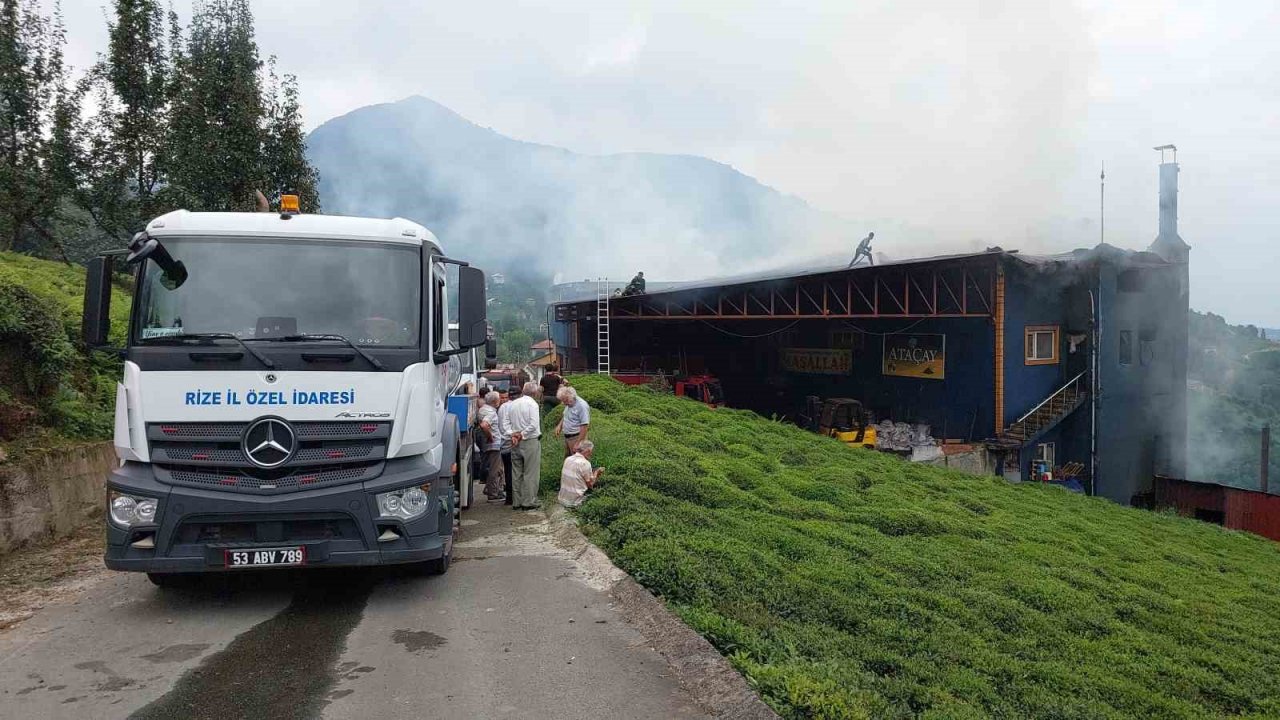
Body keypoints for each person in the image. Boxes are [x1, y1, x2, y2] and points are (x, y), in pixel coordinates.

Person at [506, 381, 543, 510]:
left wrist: (513, 435)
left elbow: (505, 424)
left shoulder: (512, 404)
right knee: (530, 472)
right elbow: (533, 425)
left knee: (516, 473)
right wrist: (522, 434)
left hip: (515, 442)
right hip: (530, 440)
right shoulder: (532, 404)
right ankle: (529, 501)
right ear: (534, 392)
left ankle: (517, 501)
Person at [476, 391, 505, 502]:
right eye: (498, 399)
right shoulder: (491, 413)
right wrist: (491, 437)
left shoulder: (483, 409)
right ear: (495, 401)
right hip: (494, 444)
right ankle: (493, 493)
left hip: (487, 444)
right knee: (495, 469)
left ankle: (489, 488)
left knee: (491, 466)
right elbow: (484, 425)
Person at [558, 439, 603, 508]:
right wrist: (597, 473)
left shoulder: (568, 459)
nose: (591, 454)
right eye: (591, 452)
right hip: (574, 502)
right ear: (589, 451)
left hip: (561, 499)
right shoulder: (585, 463)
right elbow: (590, 485)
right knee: (598, 494)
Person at [553, 385, 590, 457]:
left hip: (576, 437)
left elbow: (585, 426)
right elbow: (565, 415)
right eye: (562, 401)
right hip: (568, 437)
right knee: (569, 460)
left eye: (565, 401)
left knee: (578, 462)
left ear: (571, 396)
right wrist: (559, 426)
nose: (563, 403)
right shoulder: (569, 403)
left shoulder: (582, 406)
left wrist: (578, 443)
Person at [497, 386, 517, 504]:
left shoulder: (503, 407)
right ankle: (517, 496)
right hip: (516, 442)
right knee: (516, 471)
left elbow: (502, 426)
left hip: (505, 444)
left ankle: (510, 497)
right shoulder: (520, 405)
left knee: (508, 471)